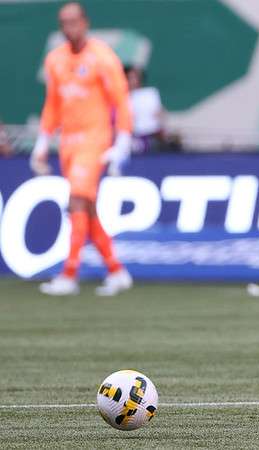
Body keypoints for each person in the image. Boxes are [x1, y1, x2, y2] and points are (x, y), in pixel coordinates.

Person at [29, 2, 133, 296]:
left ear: (85, 22)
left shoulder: (102, 57)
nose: (69, 28)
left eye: (74, 21)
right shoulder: (55, 60)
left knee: (76, 200)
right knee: (86, 206)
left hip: (94, 138)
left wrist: (122, 140)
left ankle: (69, 273)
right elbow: (53, 103)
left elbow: (121, 99)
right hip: (68, 142)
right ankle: (116, 270)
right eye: (64, 22)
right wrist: (42, 141)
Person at [125, 66, 165, 153]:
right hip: (129, 137)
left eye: (135, 77)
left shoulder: (150, 94)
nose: (133, 81)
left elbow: (160, 115)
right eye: (130, 78)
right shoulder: (121, 98)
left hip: (149, 136)